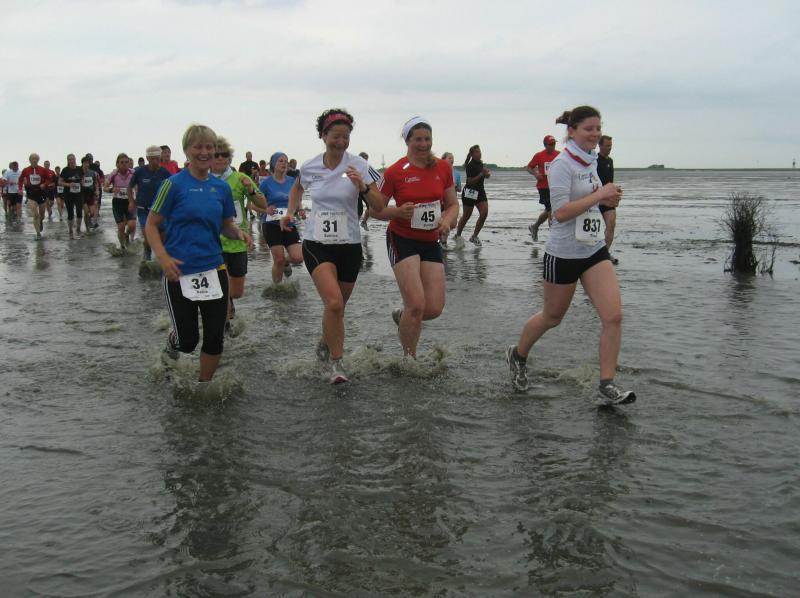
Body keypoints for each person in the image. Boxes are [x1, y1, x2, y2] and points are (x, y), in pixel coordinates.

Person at [506, 105, 635, 406]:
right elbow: (560, 213)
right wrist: (600, 195)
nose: (595, 134)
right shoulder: (561, 164)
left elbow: (592, 199)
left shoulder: (592, 161)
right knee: (552, 317)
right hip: (563, 254)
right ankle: (517, 355)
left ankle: (607, 384)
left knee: (614, 316)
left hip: (593, 250)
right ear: (572, 131)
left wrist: (609, 197)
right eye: (589, 129)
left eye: (598, 128)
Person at [280, 108, 384, 384]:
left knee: (337, 308)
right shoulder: (309, 166)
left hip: (349, 245)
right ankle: (337, 364)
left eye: (346, 137)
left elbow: (379, 205)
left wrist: (362, 187)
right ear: (323, 136)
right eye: (336, 136)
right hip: (317, 243)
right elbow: (297, 188)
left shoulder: (359, 165)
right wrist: (290, 211)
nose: (341, 142)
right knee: (334, 303)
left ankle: (324, 344)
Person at [146, 123, 250, 383]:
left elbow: (226, 224)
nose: (204, 152)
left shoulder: (221, 188)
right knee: (188, 341)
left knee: (215, 337)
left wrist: (238, 233)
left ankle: (203, 385)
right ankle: (172, 345)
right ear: (187, 150)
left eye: (209, 147)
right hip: (179, 272)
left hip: (214, 269)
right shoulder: (173, 185)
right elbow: (151, 225)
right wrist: (163, 257)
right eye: (198, 147)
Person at [376, 116, 458, 357]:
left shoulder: (443, 168)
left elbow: (453, 204)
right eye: (418, 140)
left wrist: (447, 221)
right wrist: (397, 212)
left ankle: (403, 317)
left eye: (427, 139)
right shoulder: (394, 172)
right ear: (407, 141)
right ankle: (409, 359)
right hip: (402, 238)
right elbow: (375, 210)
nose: (423, 144)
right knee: (416, 304)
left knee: (433, 308)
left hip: (430, 240)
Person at [209, 137, 266, 329]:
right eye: (216, 155)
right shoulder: (203, 180)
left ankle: (229, 302)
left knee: (236, 291)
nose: (220, 158)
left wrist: (250, 189)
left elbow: (263, 204)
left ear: (229, 158)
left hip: (238, 241)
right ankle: (224, 328)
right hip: (213, 243)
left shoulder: (240, 178)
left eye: (224, 155)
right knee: (222, 287)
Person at [257, 151, 302, 284]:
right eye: (281, 161)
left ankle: (286, 262)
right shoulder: (266, 183)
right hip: (271, 224)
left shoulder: (292, 181)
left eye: (286, 161)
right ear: (273, 164)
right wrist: (265, 209)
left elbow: (297, 198)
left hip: (288, 223)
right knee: (278, 260)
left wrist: (300, 209)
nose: (284, 163)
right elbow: (252, 204)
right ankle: (277, 288)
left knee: (298, 258)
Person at [129, 146, 172, 261]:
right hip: (143, 210)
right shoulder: (140, 172)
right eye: (152, 159)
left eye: (157, 158)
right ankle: (147, 254)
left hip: (160, 211)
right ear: (147, 158)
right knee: (148, 237)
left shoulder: (164, 173)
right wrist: (131, 201)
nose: (155, 161)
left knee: (162, 240)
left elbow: (174, 188)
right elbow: (130, 186)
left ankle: (161, 262)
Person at [454, 144, 490, 245]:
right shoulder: (470, 166)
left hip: (480, 192)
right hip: (470, 192)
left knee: (484, 213)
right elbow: (470, 182)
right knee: (466, 215)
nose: (479, 154)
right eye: (477, 152)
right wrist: (481, 174)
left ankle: (474, 236)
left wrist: (487, 174)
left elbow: (484, 176)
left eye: (480, 152)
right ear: (472, 154)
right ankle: (458, 235)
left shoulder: (481, 164)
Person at [527, 135, 560, 241]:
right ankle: (554, 237)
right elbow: (529, 167)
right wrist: (536, 174)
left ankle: (535, 226)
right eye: (550, 144)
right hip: (543, 187)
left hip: (556, 186)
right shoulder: (539, 155)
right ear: (545, 145)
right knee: (550, 211)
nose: (553, 146)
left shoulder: (559, 154)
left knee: (550, 210)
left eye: (554, 143)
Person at [105, 153, 136, 248]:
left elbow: (140, 184)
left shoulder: (133, 173)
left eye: (126, 162)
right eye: (122, 162)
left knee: (132, 225)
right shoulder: (114, 174)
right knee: (121, 226)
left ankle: (127, 235)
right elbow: (105, 188)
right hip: (117, 202)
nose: (124, 164)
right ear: (117, 164)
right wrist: (111, 189)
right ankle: (122, 247)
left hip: (130, 201)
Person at [596, 135, 619, 264]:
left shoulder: (610, 161)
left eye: (611, 146)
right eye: (607, 146)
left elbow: (610, 182)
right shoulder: (594, 161)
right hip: (595, 199)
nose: (609, 148)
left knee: (611, 224)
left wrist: (615, 191)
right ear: (600, 145)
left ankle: (605, 254)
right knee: (595, 229)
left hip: (608, 199)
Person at [20, 153, 49, 239]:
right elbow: (20, 180)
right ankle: (38, 234)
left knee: (42, 215)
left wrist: (45, 184)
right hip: (31, 193)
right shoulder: (26, 170)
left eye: (36, 158)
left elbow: (49, 179)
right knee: (35, 214)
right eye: (33, 158)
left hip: (41, 193)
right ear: (30, 160)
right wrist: (20, 189)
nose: (34, 160)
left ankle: (41, 221)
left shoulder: (43, 170)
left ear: (38, 160)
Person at [58, 154, 86, 238]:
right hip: (68, 194)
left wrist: (82, 182)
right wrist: (68, 184)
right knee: (70, 213)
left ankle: (78, 229)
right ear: (68, 161)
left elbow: (83, 177)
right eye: (70, 159)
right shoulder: (65, 170)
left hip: (79, 193)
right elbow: (59, 182)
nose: (72, 161)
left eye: (73, 159)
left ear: (75, 160)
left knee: (79, 211)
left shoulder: (79, 169)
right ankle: (70, 231)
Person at [79, 156, 100, 230]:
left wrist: (97, 190)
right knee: (86, 211)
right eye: (85, 163)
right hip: (82, 194)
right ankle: (87, 228)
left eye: (88, 163)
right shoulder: (79, 172)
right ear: (82, 164)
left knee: (92, 212)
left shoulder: (92, 173)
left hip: (90, 193)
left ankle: (89, 222)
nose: (86, 165)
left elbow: (96, 183)